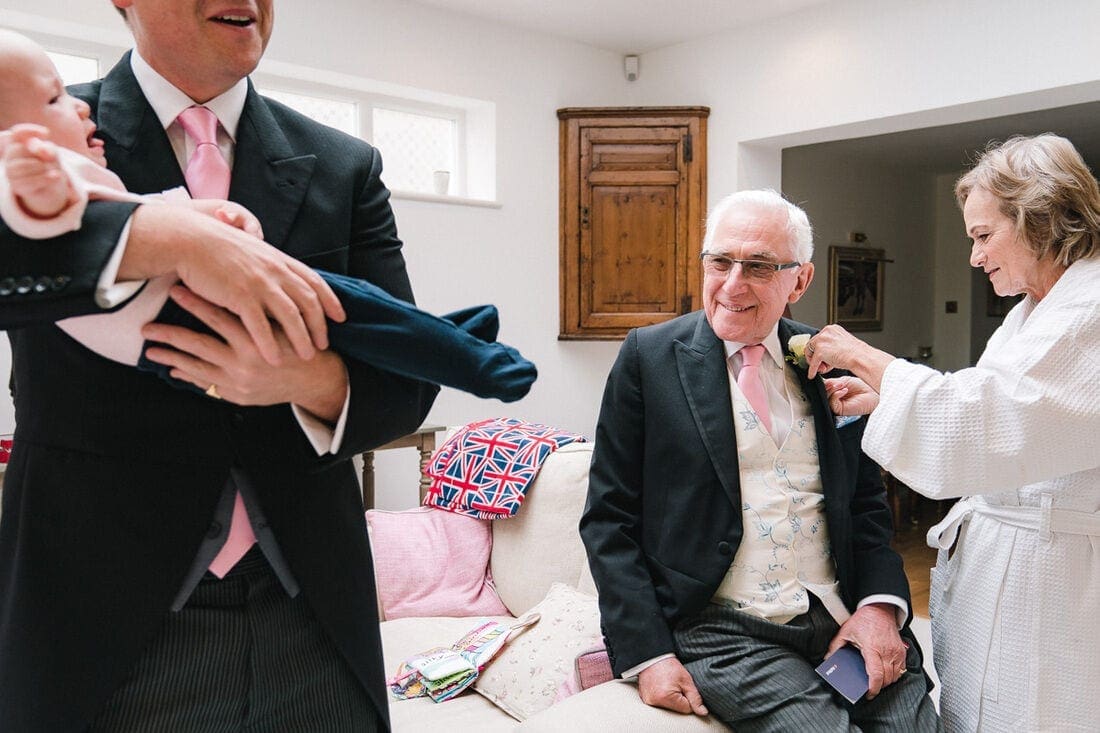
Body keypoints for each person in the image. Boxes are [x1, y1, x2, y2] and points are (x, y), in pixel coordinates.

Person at [0, 1, 440, 729]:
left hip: (315, 618)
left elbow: (407, 380)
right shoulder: (36, 123)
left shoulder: (344, 164)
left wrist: (304, 379)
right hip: (98, 624)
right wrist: (156, 233)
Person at [579, 189, 941, 732]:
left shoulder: (828, 358)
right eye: (720, 261)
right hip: (723, 628)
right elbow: (609, 519)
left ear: (800, 279)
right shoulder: (647, 358)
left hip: (838, 611)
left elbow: (865, 507)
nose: (732, 284)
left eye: (758, 266)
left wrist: (879, 608)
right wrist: (647, 655)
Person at [803, 133, 1100, 732]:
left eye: (984, 236)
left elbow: (993, 423)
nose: (974, 256)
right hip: (1004, 555)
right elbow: (991, 406)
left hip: (1058, 572)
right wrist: (886, 396)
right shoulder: (1030, 314)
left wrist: (866, 358)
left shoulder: (1091, 310)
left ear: (1040, 218)